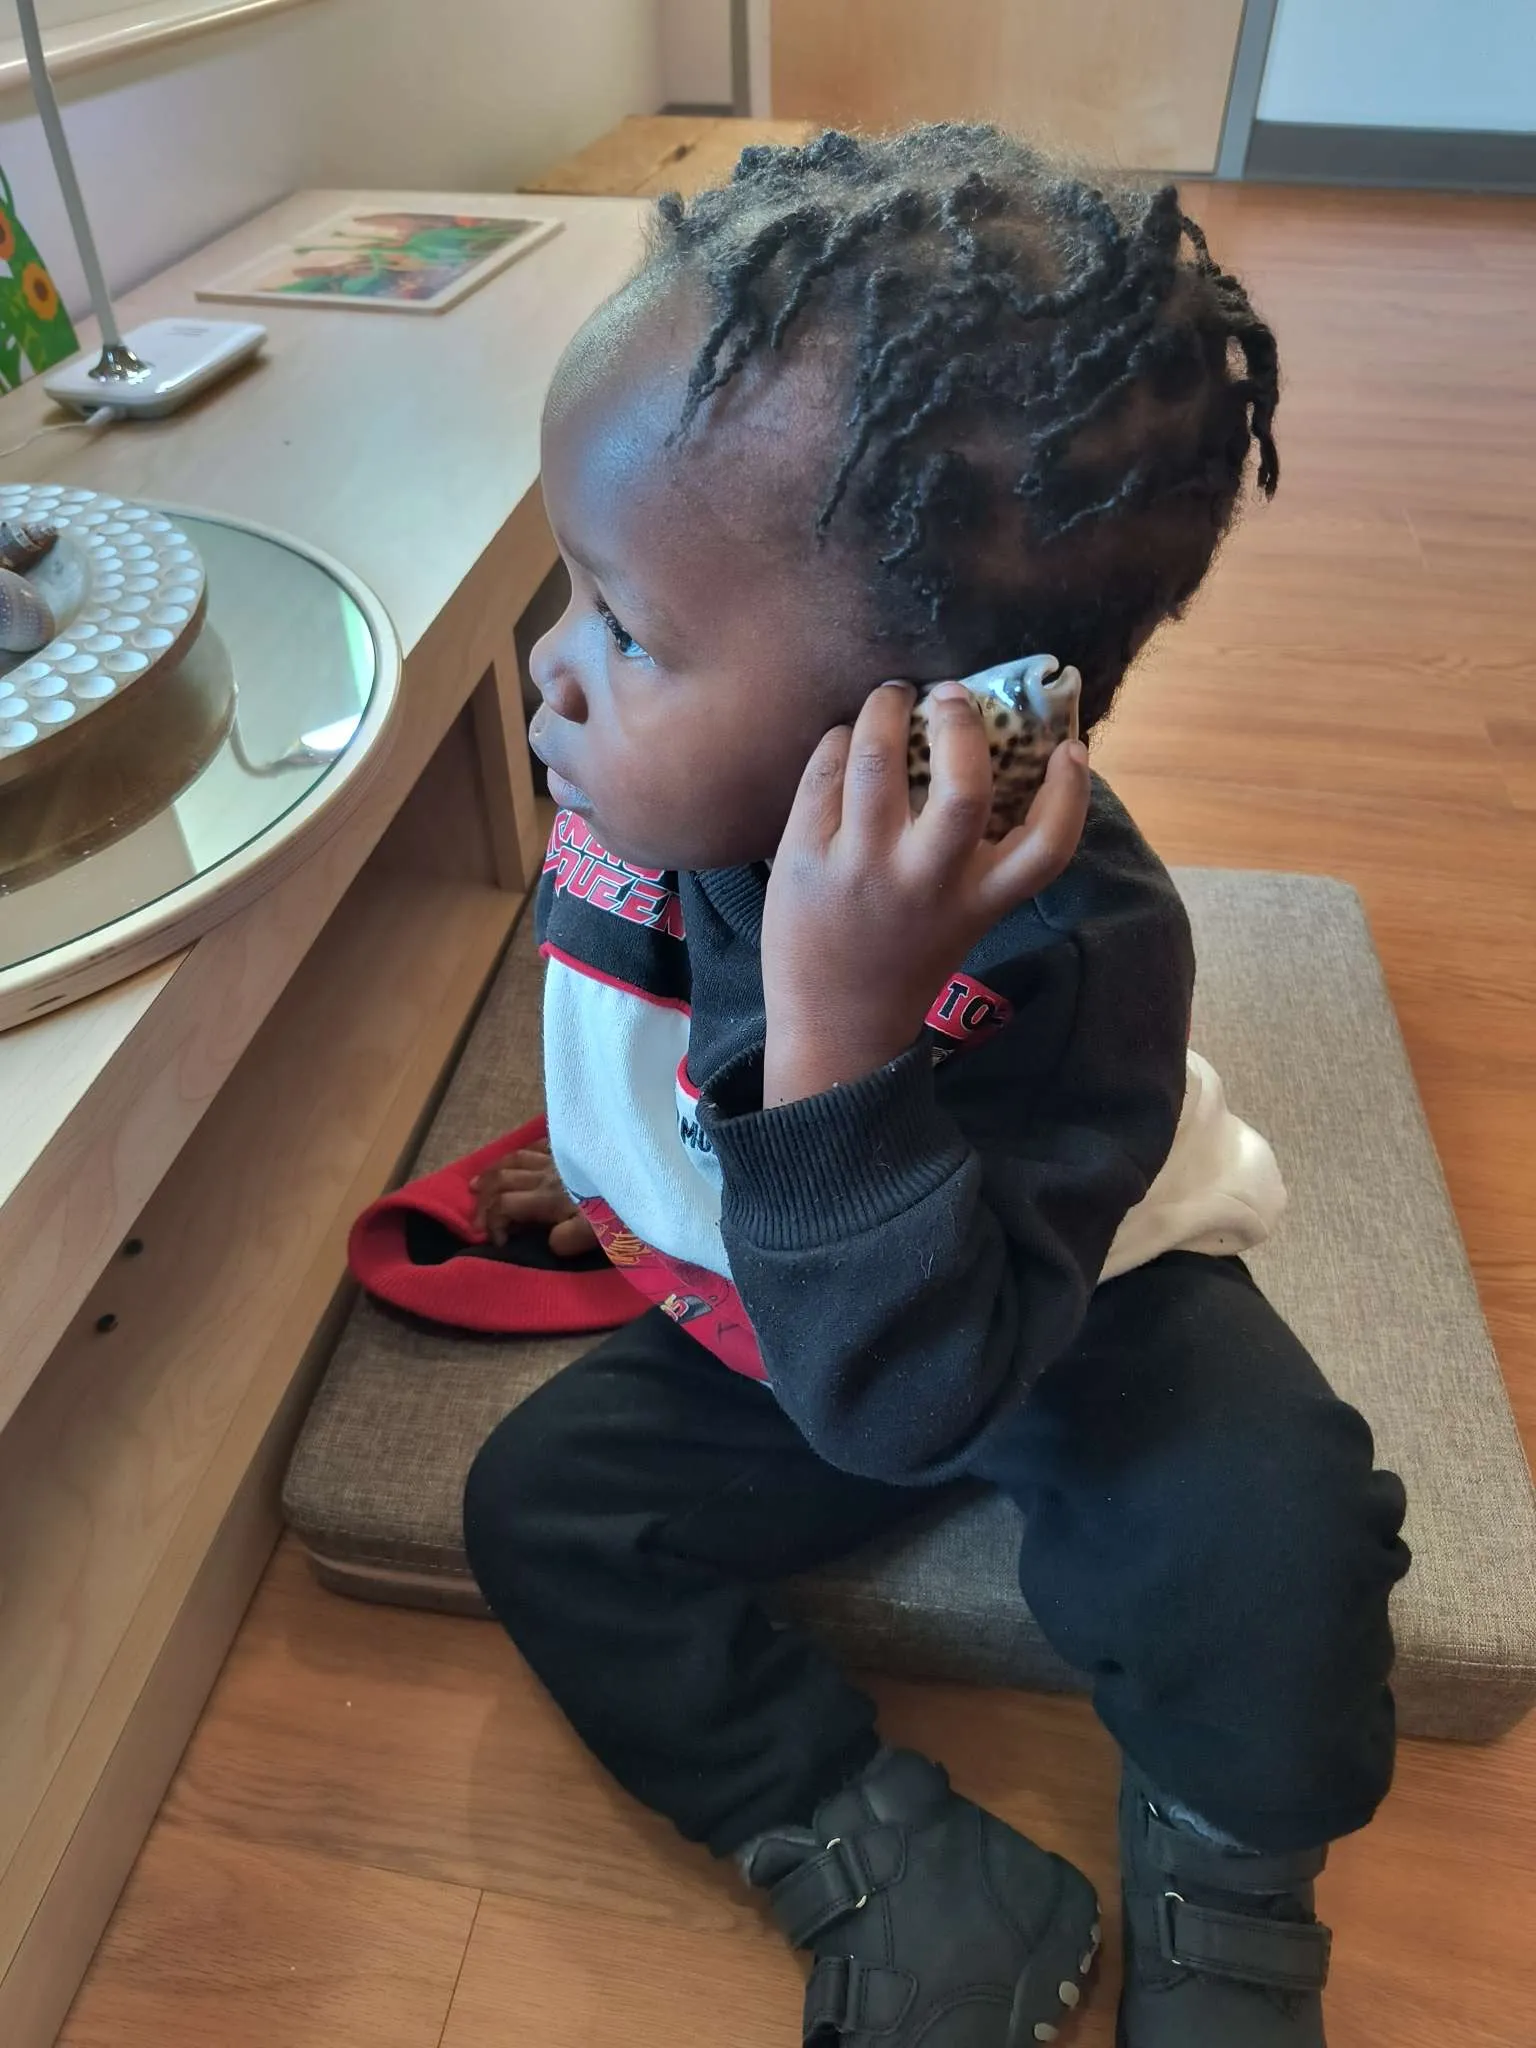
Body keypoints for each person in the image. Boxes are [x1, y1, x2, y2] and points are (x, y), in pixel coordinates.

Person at [462, 125, 1410, 2048]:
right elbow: (660, 1023)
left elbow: (915, 1403)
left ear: (951, 731)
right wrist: (634, 1172)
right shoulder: (664, 787)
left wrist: (837, 1029)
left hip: (1045, 1311)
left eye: (628, 632)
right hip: (789, 1294)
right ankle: (879, 1846)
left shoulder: (1069, 949)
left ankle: (1230, 1872)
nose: (552, 673)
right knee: (544, 1505)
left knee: (1275, 1530)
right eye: (573, 591)